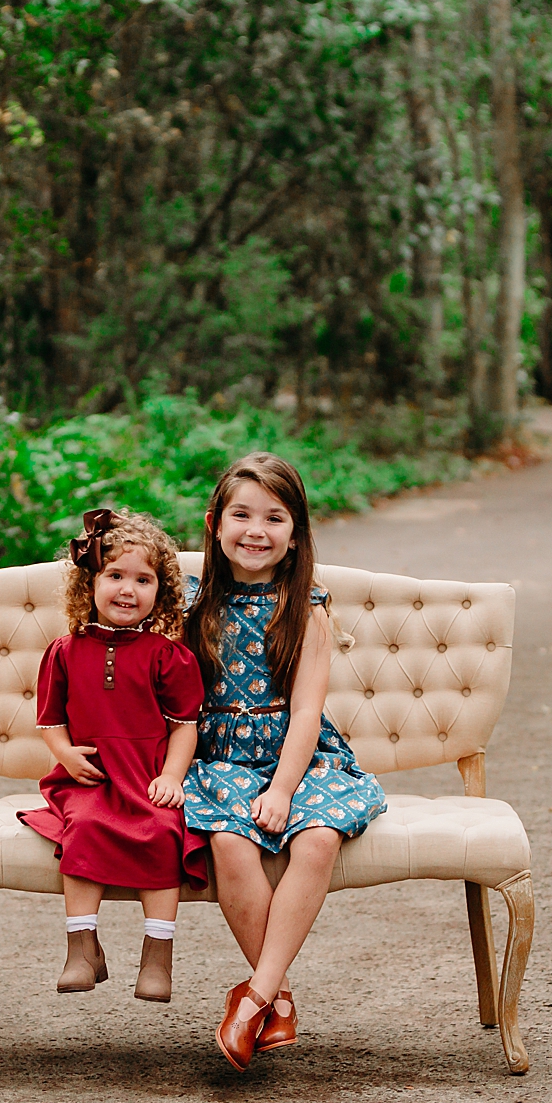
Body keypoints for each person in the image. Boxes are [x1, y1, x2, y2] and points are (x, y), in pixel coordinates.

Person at [181, 452, 387, 1070]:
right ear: (216, 524)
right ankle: (280, 998)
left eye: (274, 518)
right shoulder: (191, 606)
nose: (256, 531)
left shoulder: (308, 610)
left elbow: (305, 714)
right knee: (229, 842)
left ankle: (255, 999)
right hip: (220, 759)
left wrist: (283, 790)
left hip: (299, 757)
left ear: (295, 536)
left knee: (318, 839)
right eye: (241, 514)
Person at [20, 508, 204, 1003]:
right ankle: (81, 947)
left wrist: (172, 776)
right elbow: (49, 719)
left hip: (146, 776)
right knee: (83, 827)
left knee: (165, 831)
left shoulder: (167, 655)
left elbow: (185, 726)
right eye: (115, 575)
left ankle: (157, 956)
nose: (128, 589)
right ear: (91, 584)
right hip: (91, 779)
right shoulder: (64, 650)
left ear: (159, 594)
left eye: (143, 579)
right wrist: (64, 753)